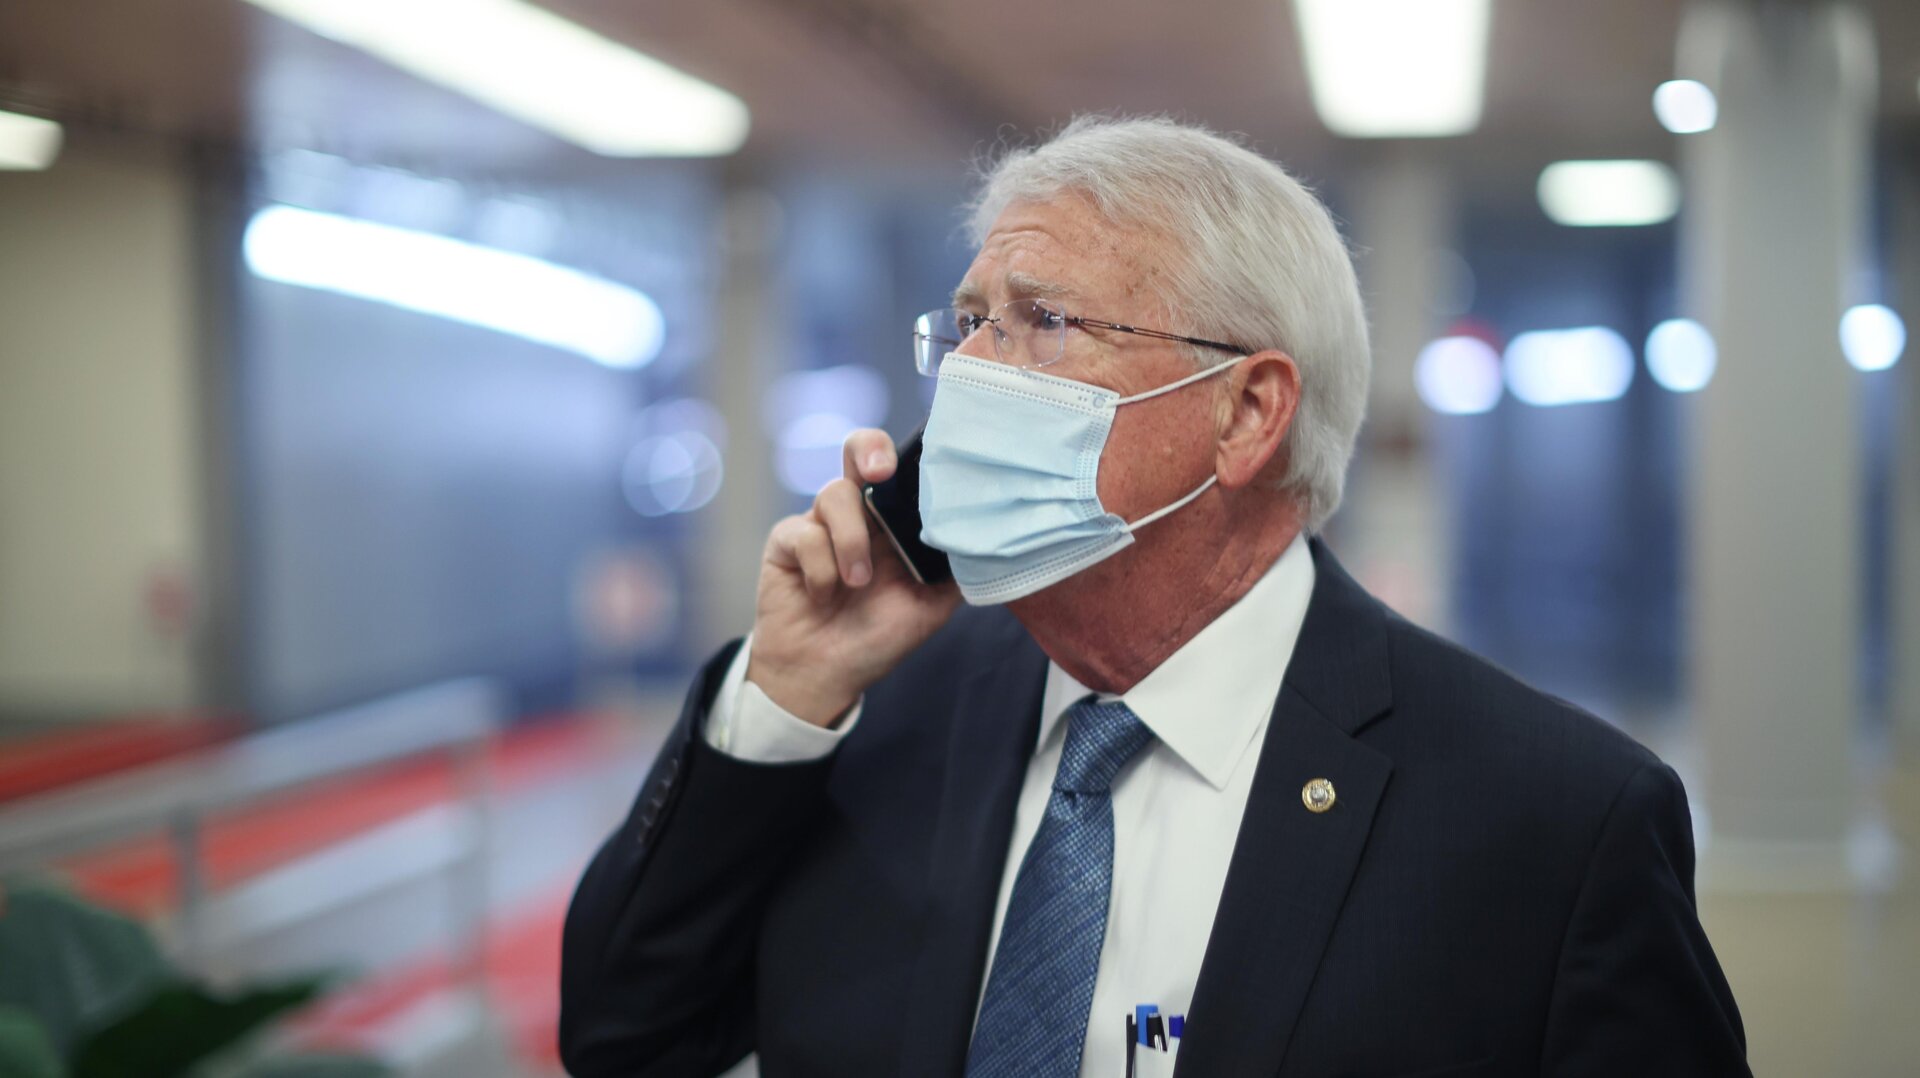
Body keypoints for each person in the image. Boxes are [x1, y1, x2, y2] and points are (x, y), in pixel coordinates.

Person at [559, 115, 1749, 1078]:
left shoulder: (1551, 822)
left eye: (1046, 324)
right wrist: (785, 697)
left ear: (1246, 412)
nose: (972, 371)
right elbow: (628, 1034)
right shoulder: (880, 720)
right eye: (970, 322)